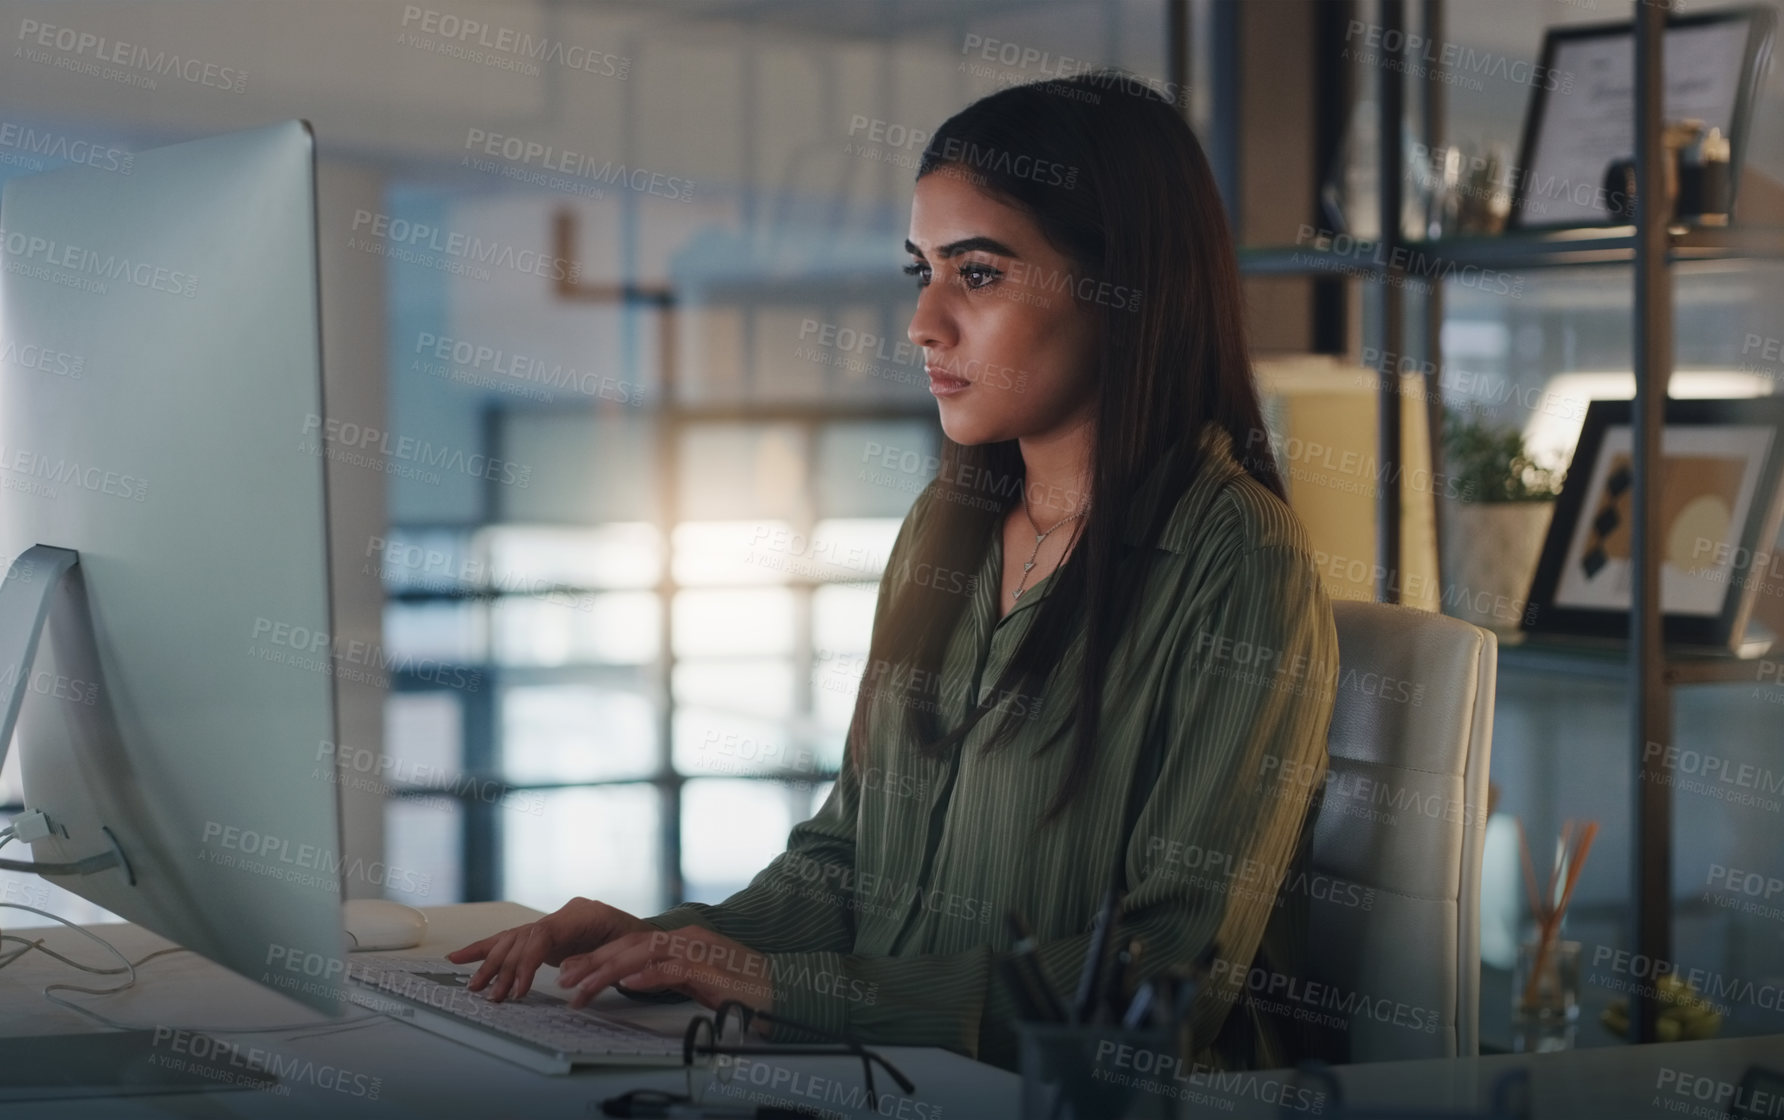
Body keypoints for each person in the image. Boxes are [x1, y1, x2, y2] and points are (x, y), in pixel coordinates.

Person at [449, 67, 1339, 1074]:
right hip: (890, 1078)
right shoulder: (942, 530)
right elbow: (846, 862)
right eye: (921, 270)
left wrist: (794, 990)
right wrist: (667, 941)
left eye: (979, 272)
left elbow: (1163, 975)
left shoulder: (1235, 559)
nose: (924, 323)